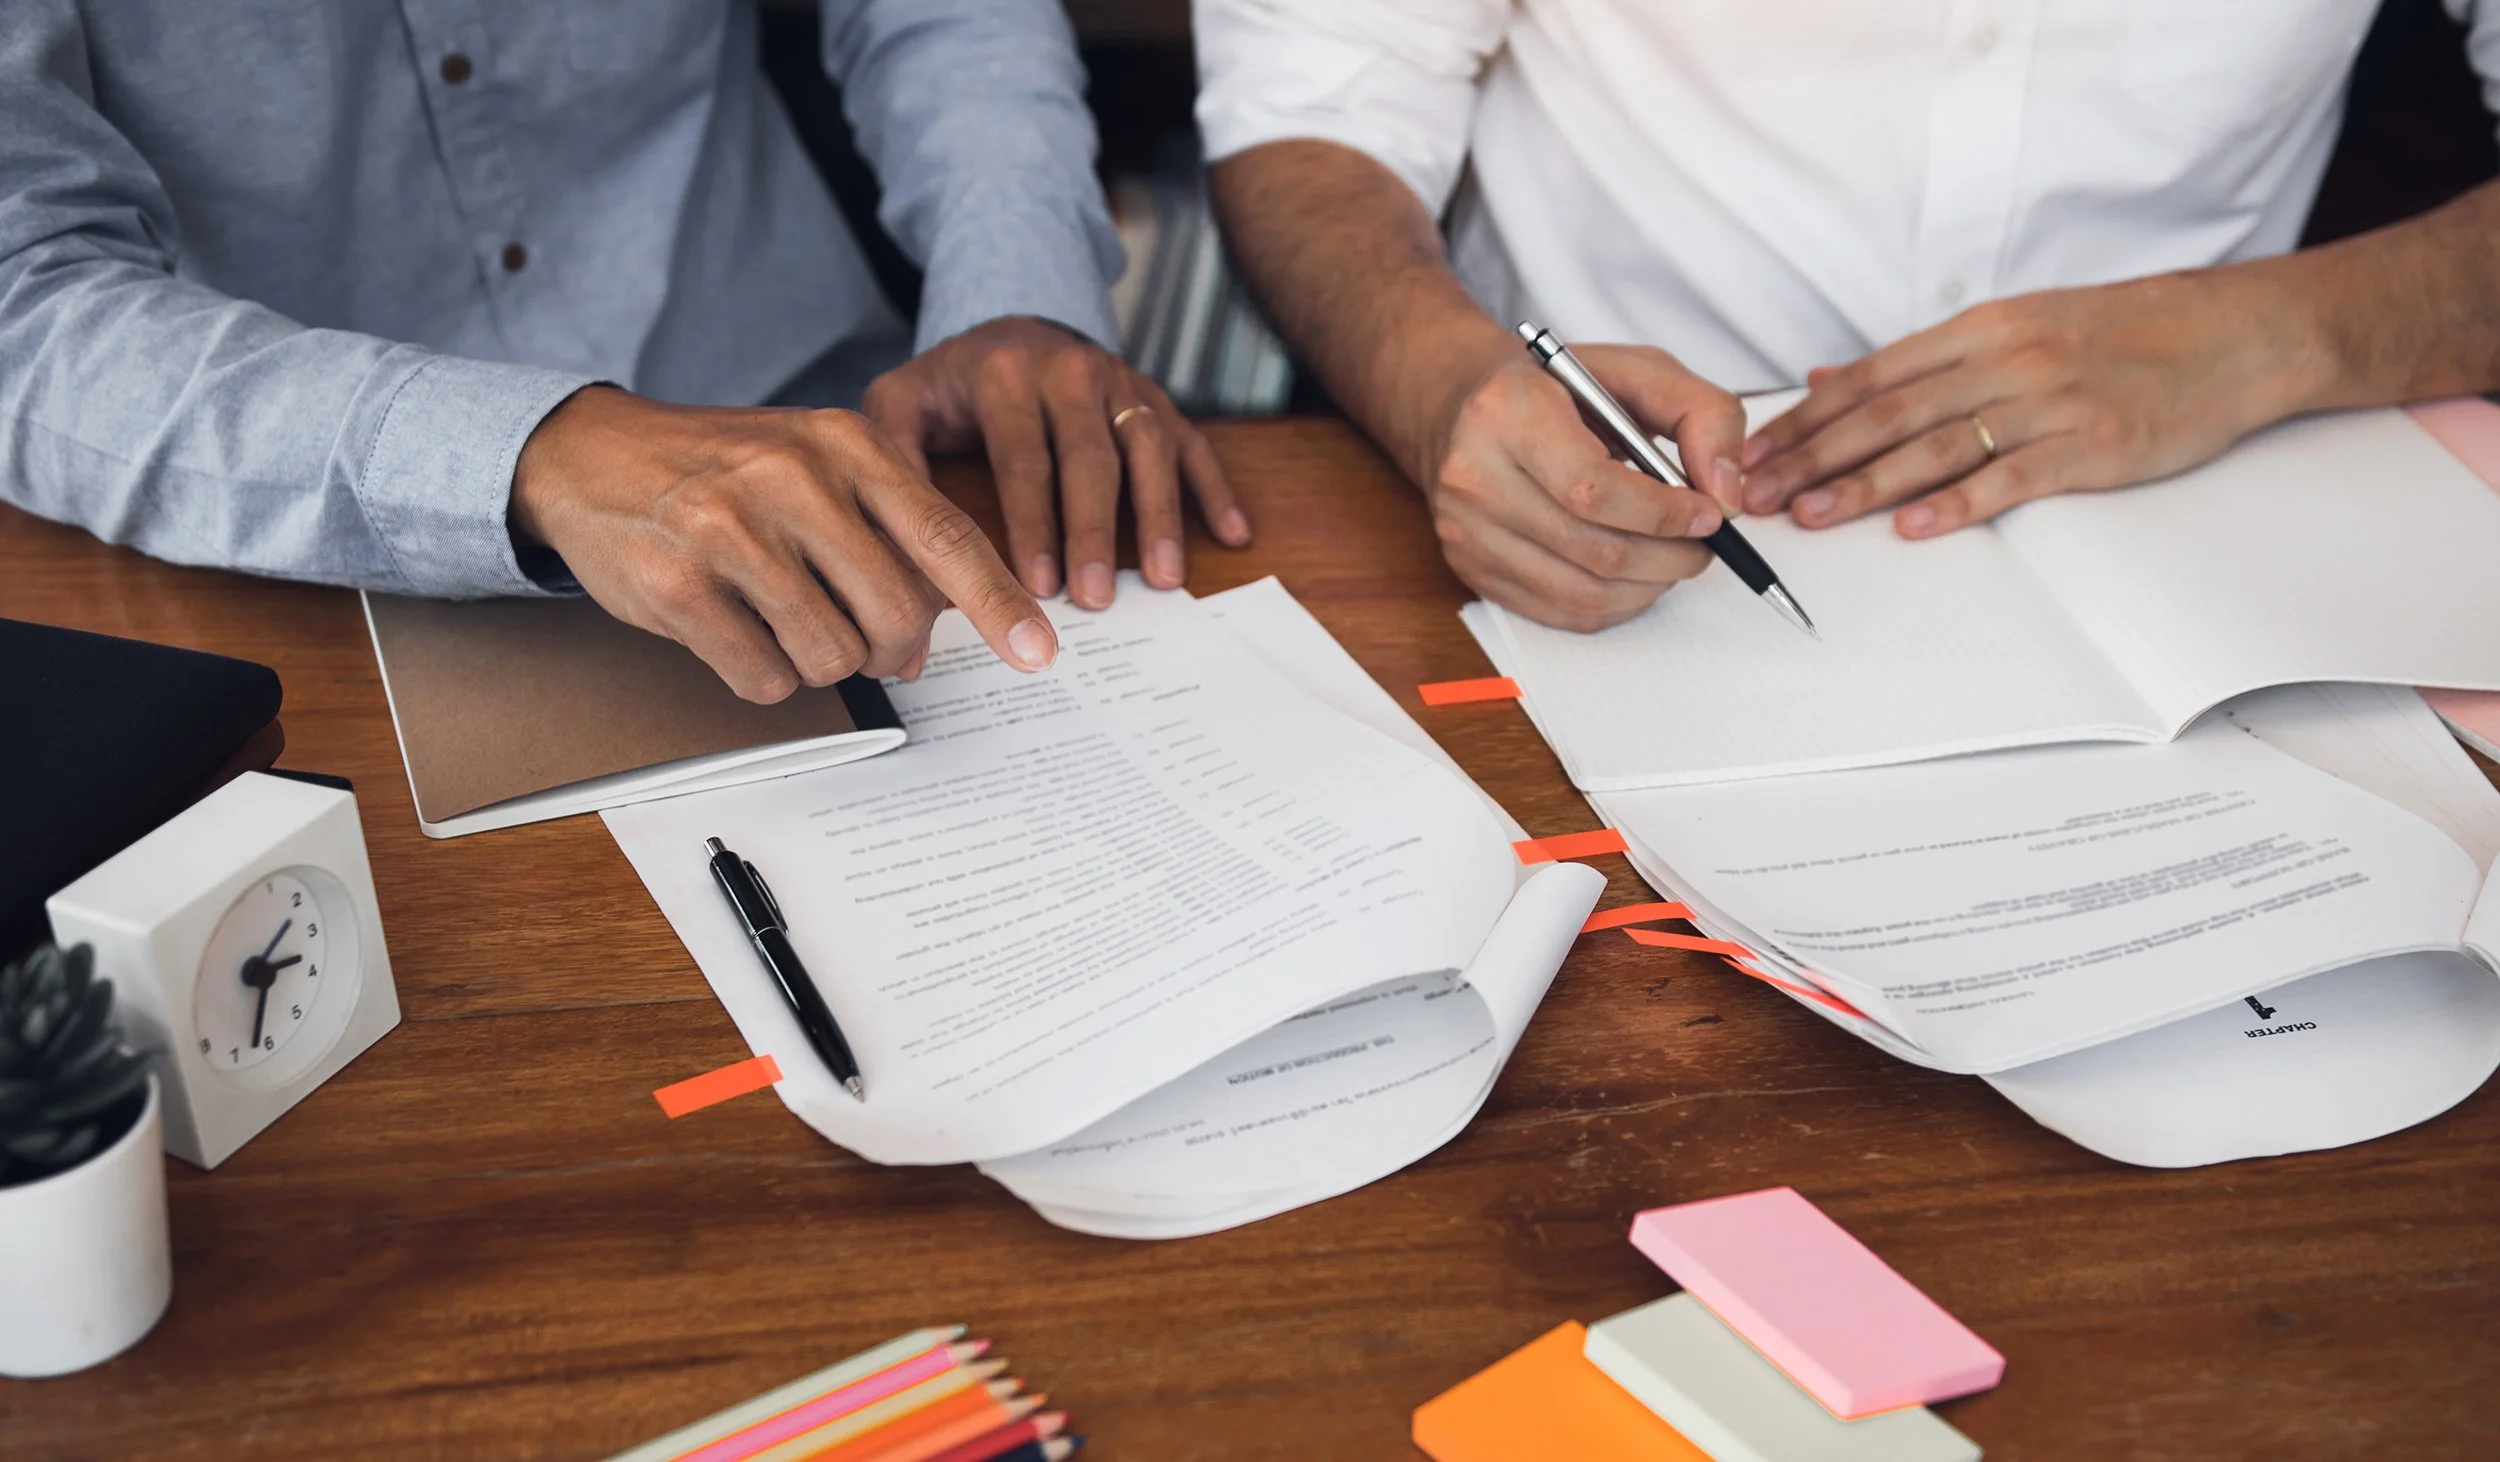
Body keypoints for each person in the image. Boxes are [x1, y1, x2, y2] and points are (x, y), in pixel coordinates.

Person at [0, 0, 1247, 702]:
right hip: (296, 570)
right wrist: (529, 447)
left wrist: (1013, 284)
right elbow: (26, 297)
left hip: (843, 443)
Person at [1196, 0, 2500, 631]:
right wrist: (1440, 382)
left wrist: (2272, 332)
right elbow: (1317, 96)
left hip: (2213, 540)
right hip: (1606, 525)